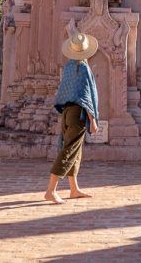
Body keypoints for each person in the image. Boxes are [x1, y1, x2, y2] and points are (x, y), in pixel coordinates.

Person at [44, 27, 100, 204]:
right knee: (69, 150)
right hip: (78, 114)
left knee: (75, 151)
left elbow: (64, 91)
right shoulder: (83, 68)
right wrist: (93, 120)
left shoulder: (68, 67)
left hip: (67, 111)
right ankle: (50, 190)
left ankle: (74, 189)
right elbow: (86, 96)